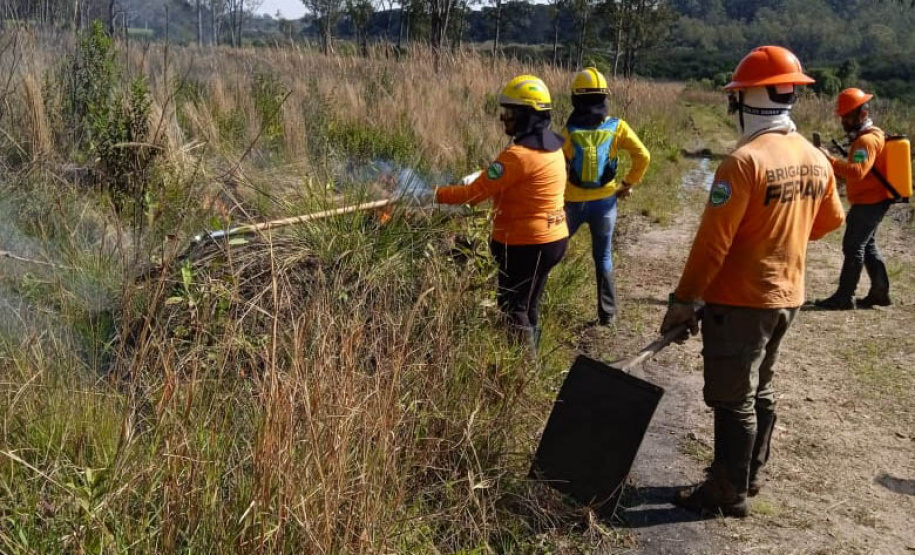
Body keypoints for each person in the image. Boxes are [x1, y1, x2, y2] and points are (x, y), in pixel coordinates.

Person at [659, 45, 845, 517]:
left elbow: (711, 246)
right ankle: (750, 473)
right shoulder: (815, 157)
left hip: (742, 301)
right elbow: (830, 220)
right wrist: (783, 235)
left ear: (746, 100)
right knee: (761, 386)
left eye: (736, 97)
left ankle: (727, 492)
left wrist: (684, 300)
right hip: (788, 297)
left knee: (733, 397)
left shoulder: (743, 163)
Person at [395, 75, 569, 349]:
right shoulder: (553, 149)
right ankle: (533, 358)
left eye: (510, 113)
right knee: (529, 304)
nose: (503, 118)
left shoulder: (518, 155)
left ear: (527, 115)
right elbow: (521, 183)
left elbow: (471, 196)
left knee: (513, 307)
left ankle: (525, 368)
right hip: (554, 239)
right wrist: (484, 177)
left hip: (526, 245)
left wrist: (432, 194)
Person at [562, 67, 651, 326]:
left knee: (553, 249)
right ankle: (608, 315)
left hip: (572, 202)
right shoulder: (617, 127)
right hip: (605, 203)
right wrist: (627, 184)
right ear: (604, 97)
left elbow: (557, 165)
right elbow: (643, 156)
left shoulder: (568, 131)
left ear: (576, 98)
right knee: (603, 257)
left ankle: (532, 302)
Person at [813, 88, 894, 310]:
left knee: (853, 246)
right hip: (872, 199)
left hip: (870, 202)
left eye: (848, 117)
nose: (844, 122)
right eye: (843, 117)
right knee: (867, 246)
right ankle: (880, 293)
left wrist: (829, 160)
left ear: (862, 114)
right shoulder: (870, 135)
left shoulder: (866, 141)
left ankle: (844, 297)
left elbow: (857, 171)